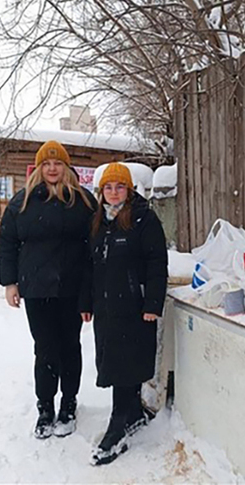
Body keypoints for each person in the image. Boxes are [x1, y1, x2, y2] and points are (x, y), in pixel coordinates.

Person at [0, 141, 97, 439]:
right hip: (37, 289)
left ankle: (69, 403)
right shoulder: (23, 202)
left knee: (70, 347)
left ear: (67, 168)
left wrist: (91, 289)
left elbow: (94, 247)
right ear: (39, 168)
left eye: (58, 163)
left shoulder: (82, 201)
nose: (52, 169)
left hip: (71, 287)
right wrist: (10, 282)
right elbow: (8, 243)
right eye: (47, 164)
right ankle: (45, 406)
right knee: (44, 349)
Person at [80, 163, 168, 465]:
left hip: (133, 305)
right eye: (108, 187)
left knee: (124, 362)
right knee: (114, 359)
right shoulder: (98, 222)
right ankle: (130, 412)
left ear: (128, 190)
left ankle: (118, 425)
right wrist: (86, 302)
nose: (114, 192)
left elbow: (157, 264)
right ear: (101, 192)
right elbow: (89, 267)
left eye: (119, 187)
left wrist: (152, 304)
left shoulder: (144, 219)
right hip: (106, 306)